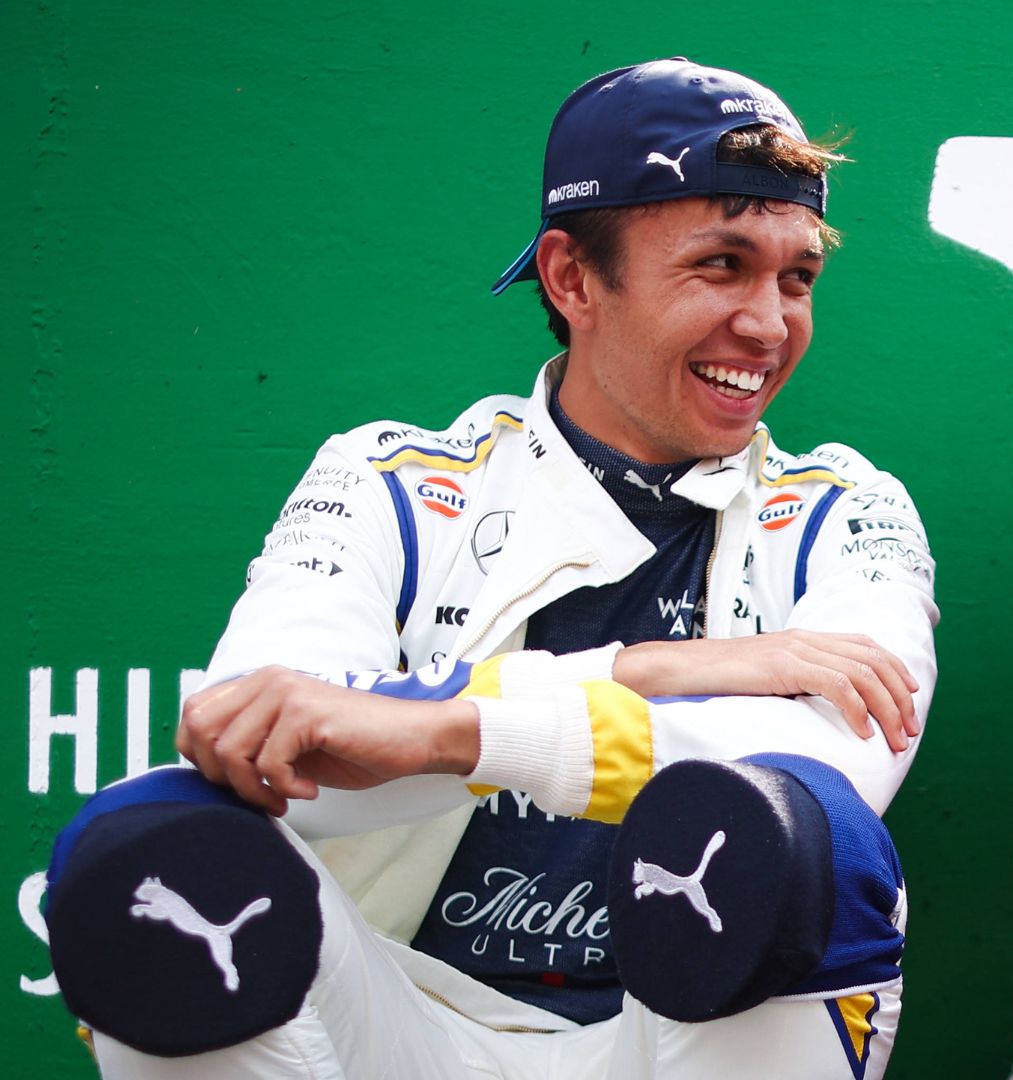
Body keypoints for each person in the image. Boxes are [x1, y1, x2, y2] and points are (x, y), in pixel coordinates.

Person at [45, 58, 936, 1080]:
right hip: (391, 1024)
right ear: (572, 278)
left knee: (816, 845)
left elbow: (831, 774)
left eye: (797, 278)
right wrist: (637, 673)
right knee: (157, 840)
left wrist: (443, 729)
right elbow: (260, 747)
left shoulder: (846, 508)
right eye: (722, 265)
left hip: (683, 1040)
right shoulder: (387, 479)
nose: (770, 325)